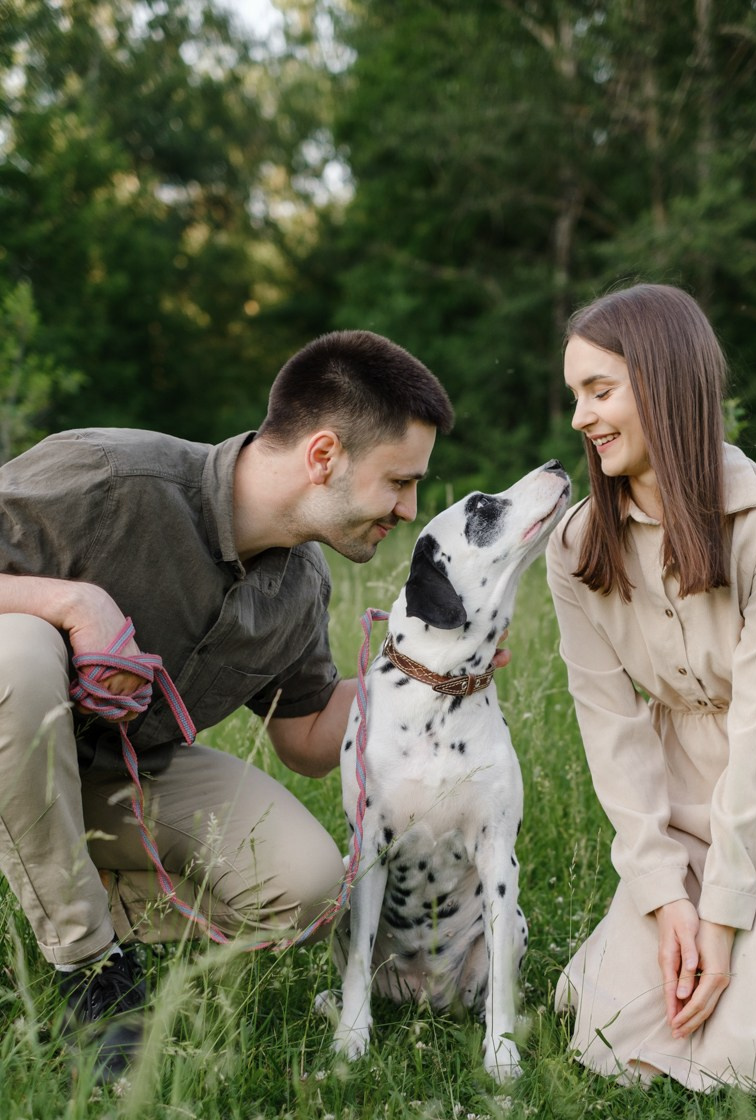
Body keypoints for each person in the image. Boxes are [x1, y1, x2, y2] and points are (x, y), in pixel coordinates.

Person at [0, 329, 454, 1080]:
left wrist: (434, 670)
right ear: (323, 455)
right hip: (11, 727)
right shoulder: (111, 477)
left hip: (113, 775)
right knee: (18, 651)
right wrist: (68, 600)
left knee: (306, 888)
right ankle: (87, 971)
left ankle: (47, 900)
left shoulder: (302, 586)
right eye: (399, 482)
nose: (406, 509)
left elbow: (306, 737)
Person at [546, 283, 756, 1092]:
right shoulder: (576, 543)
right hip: (687, 804)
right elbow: (609, 730)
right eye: (574, 394)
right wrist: (661, 893)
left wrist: (721, 913)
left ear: (665, 382)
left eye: (599, 391)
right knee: (621, 1044)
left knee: (741, 1055)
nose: (579, 417)